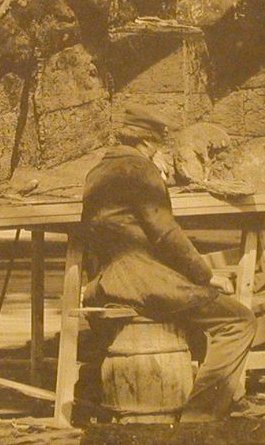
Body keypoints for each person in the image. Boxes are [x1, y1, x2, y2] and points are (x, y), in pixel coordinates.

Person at [81, 104, 256, 421]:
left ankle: (230, 398)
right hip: (140, 283)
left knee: (196, 311)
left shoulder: (96, 172)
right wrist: (205, 275)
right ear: (147, 142)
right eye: (157, 144)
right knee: (239, 321)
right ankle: (199, 416)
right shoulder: (141, 169)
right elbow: (166, 234)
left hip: (105, 281)